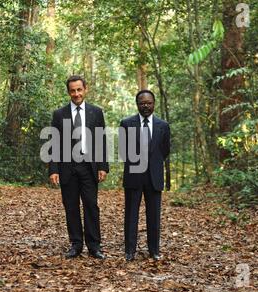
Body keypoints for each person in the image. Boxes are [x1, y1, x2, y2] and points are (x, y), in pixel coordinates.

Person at [49, 75, 109, 259]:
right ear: (69, 92)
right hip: (67, 167)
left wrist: (103, 166)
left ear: (85, 89)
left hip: (89, 166)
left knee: (91, 205)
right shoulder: (59, 114)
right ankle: (76, 244)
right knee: (71, 206)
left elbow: (101, 140)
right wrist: (53, 169)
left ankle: (94, 246)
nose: (76, 94)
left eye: (79, 89)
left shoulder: (96, 112)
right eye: (73, 91)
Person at [120, 90, 170, 261]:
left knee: (154, 215)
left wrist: (153, 163)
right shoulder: (126, 124)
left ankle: (154, 250)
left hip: (154, 176)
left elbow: (165, 150)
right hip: (134, 176)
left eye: (149, 103)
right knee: (131, 214)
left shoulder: (163, 125)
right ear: (137, 104)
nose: (146, 106)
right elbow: (123, 150)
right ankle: (129, 251)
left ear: (154, 104)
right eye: (142, 103)